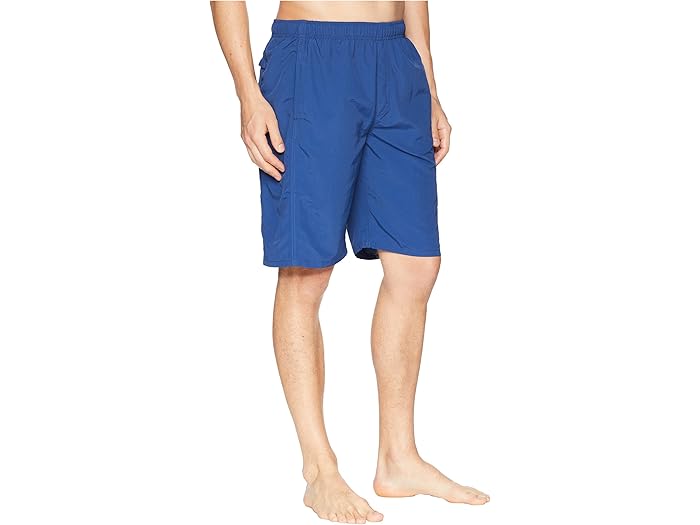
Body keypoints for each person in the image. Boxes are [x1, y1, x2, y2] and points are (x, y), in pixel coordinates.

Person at [211, 2, 489, 522]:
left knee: (416, 265)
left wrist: (428, 86)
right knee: (306, 270)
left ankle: (398, 459)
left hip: (396, 61)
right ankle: (320, 471)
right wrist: (248, 94)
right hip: (311, 55)